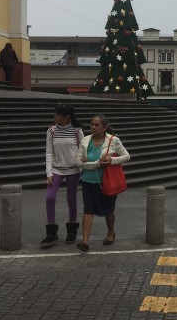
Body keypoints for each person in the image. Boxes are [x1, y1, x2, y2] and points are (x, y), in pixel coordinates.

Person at [75, 115, 130, 252]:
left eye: (97, 125)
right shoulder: (85, 140)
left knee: (108, 211)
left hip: (107, 182)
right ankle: (85, 241)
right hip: (88, 181)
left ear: (104, 127)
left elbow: (126, 156)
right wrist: (96, 164)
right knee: (88, 210)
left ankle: (111, 232)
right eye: (91, 124)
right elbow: (78, 162)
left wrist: (111, 160)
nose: (93, 127)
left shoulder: (113, 140)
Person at [41, 103, 84, 247]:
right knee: (50, 197)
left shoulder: (77, 131)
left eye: (58, 114)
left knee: (71, 199)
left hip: (73, 169)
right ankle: (51, 232)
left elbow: (82, 151)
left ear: (67, 117)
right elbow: (49, 152)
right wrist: (49, 172)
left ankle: (72, 229)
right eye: (55, 114)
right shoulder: (51, 131)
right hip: (56, 169)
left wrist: (81, 168)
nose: (55, 116)